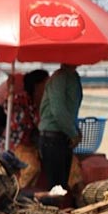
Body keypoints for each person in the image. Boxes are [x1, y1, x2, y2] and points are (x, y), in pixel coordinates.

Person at [0, 69, 50, 189]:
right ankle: (18, 193)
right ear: (37, 85)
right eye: (46, 85)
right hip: (14, 146)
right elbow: (39, 124)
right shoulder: (22, 101)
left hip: (30, 145)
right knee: (31, 167)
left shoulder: (39, 103)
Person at [38, 63, 83, 205]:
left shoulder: (73, 77)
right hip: (53, 137)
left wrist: (75, 130)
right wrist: (73, 132)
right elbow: (58, 111)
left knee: (61, 187)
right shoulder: (59, 78)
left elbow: (71, 110)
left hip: (63, 137)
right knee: (56, 188)